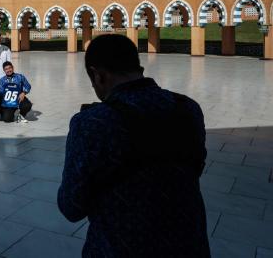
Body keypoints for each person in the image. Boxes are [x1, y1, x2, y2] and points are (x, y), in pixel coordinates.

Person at [57, 34, 209, 257]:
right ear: (139, 68)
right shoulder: (188, 108)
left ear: (98, 76)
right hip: (189, 246)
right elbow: (195, 167)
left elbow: (71, 205)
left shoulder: (93, 123)